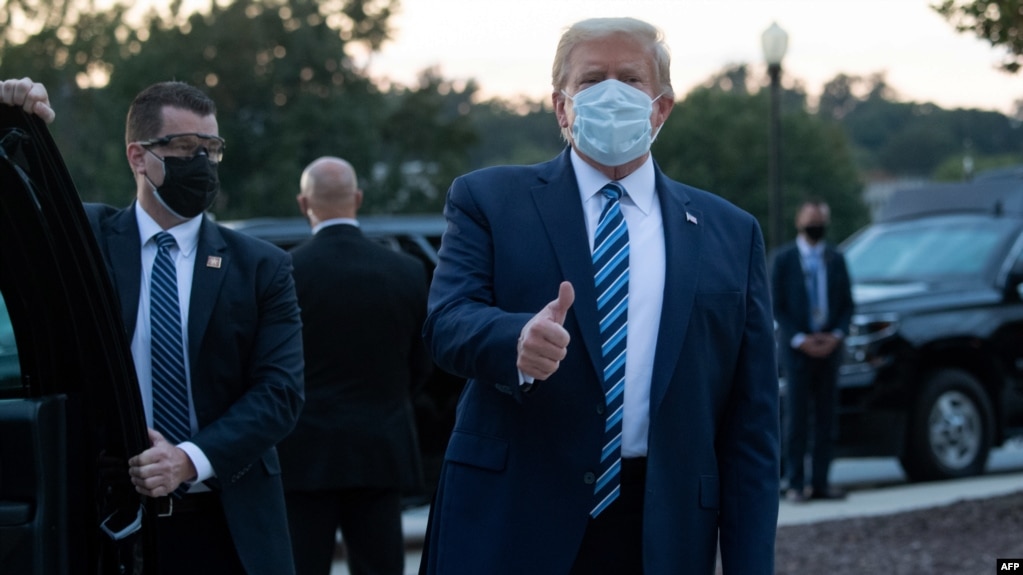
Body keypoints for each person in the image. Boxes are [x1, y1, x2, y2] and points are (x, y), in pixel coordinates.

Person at [419, 17, 779, 575]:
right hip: (514, 519)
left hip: (663, 528)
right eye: (591, 81)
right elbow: (446, 322)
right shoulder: (488, 200)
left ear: (661, 107)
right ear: (561, 106)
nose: (611, 93)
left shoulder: (731, 232)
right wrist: (514, 340)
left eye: (630, 79)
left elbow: (752, 424)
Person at [0, 77, 305, 574]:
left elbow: (280, 392)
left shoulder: (261, 266)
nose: (202, 164)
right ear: (139, 156)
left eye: (212, 149)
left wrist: (187, 458)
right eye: (185, 148)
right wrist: (13, 120)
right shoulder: (87, 241)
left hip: (227, 525)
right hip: (108, 522)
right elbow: (15, 214)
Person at [277, 156, 432, 575]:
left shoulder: (284, 272)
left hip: (303, 453)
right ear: (358, 199)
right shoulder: (406, 270)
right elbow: (421, 364)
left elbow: (273, 368)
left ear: (302, 202)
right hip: (380, 449)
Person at [770, 198, 854, 503]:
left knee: (825, 418)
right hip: (796, 352)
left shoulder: (836, 258)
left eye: (820, 220)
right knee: (796, 418)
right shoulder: (784, 260)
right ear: (799, 221)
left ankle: (821, 482)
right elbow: (776, 304)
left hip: (829, 349)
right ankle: (795, 482)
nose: (815, 226)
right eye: (810, 220)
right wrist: (799, 339)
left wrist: (836, 335)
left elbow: (846, 304)